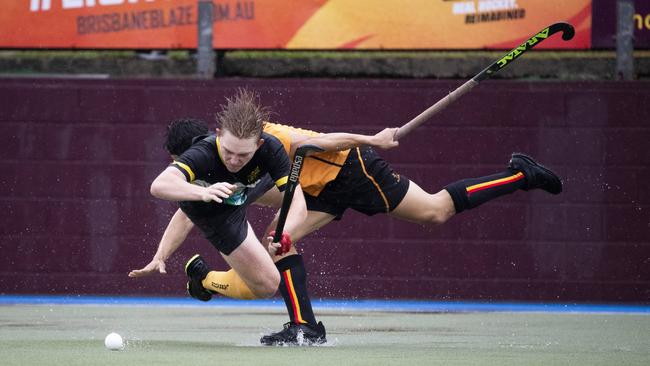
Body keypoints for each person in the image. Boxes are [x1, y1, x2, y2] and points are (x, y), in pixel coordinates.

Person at [131, 107, 562, 346]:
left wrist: (371, 140)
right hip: (314, 193)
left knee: (435, 212)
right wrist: (160, 256)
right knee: (276, 245)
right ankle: (303, 326)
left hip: (348, 172)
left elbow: (325, 140)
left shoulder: (264, 143)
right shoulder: (213, 163)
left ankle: (519, 175)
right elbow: (190, 208)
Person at [146, 89, 308, 309]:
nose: (233, 160)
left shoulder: (270, 148)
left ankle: (302, 321)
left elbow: (296, 200)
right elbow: (160, 186)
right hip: (218, 213)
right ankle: (205, 280)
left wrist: (285, 232)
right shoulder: (203, 153)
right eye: (229, 151)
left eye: (243, 155)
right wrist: (203, 193)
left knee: (309, 193)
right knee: (268, 286)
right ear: (219, 134)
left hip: (248, 189)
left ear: (258, 145)